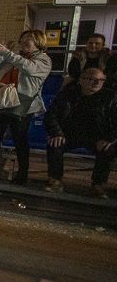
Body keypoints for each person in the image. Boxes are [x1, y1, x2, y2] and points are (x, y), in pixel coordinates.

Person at [0, 30, 51, 184]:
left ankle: (22, 174)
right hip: (2, 100)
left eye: (29, 39)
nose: (24, 42)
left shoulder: (44, 60)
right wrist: (1, 54)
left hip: (22, 105)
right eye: (22, 39)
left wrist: (7, 53)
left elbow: (28, 68)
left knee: (20, 140)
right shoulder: (15, 57)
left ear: (39, 42)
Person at [44, 67, 117, 198]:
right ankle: (55, 180)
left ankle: (98, 185)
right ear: (81, 80)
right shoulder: (67, 94)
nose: (97, 83)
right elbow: (51, 115)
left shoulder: (111, 98)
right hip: (70, 134)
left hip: (97, 136)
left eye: (101, 80)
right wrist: (57, 133)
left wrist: (108, 139)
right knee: (55, 143)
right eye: (92, 79)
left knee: (108, 148)